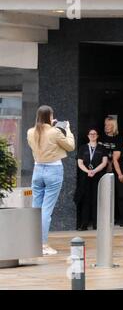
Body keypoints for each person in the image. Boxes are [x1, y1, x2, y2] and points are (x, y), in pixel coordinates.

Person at [27, 105, 75, 255]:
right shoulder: (55, 132)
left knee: (36, 208)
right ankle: (43, 244)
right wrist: (67, 129)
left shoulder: (30, 131)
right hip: (53, 170)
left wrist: (50, 126)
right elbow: (70, 146)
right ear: (50, 116)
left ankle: (33, 243)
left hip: (37, 170)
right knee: (46, 210)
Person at [75, 128, 108, 231]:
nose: (93, 135)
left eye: (95, 134)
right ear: (88, 136)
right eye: (91, 134)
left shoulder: (102, 148)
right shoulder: (83, 148)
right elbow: (80, 162)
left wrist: (94, 171)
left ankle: (96, 224)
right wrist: (88, 171)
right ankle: (84, 224)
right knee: (86, 200)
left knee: (96, 200)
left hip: (98, 176)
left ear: (97, 136)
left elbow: (104, 162)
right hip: (85, 177)